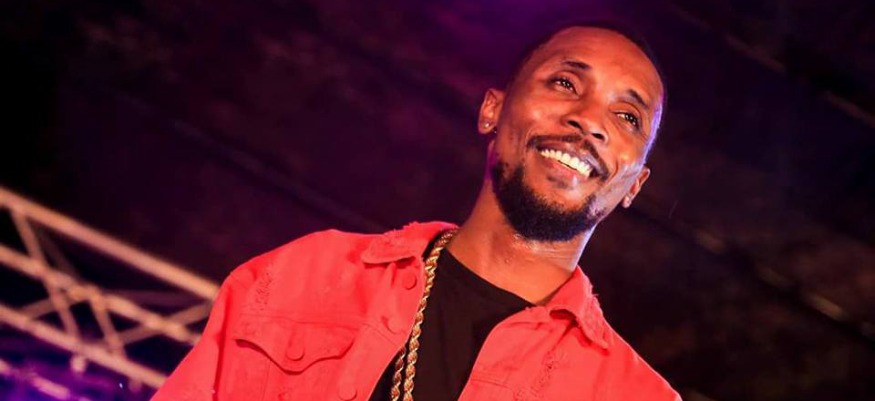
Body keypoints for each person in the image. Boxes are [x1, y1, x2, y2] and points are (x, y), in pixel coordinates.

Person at [152, 21, 679, 401]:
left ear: (634, 185)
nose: (590, 120)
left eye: (627, 117)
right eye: (565, 84)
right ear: (493, 109)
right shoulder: (307, 275)